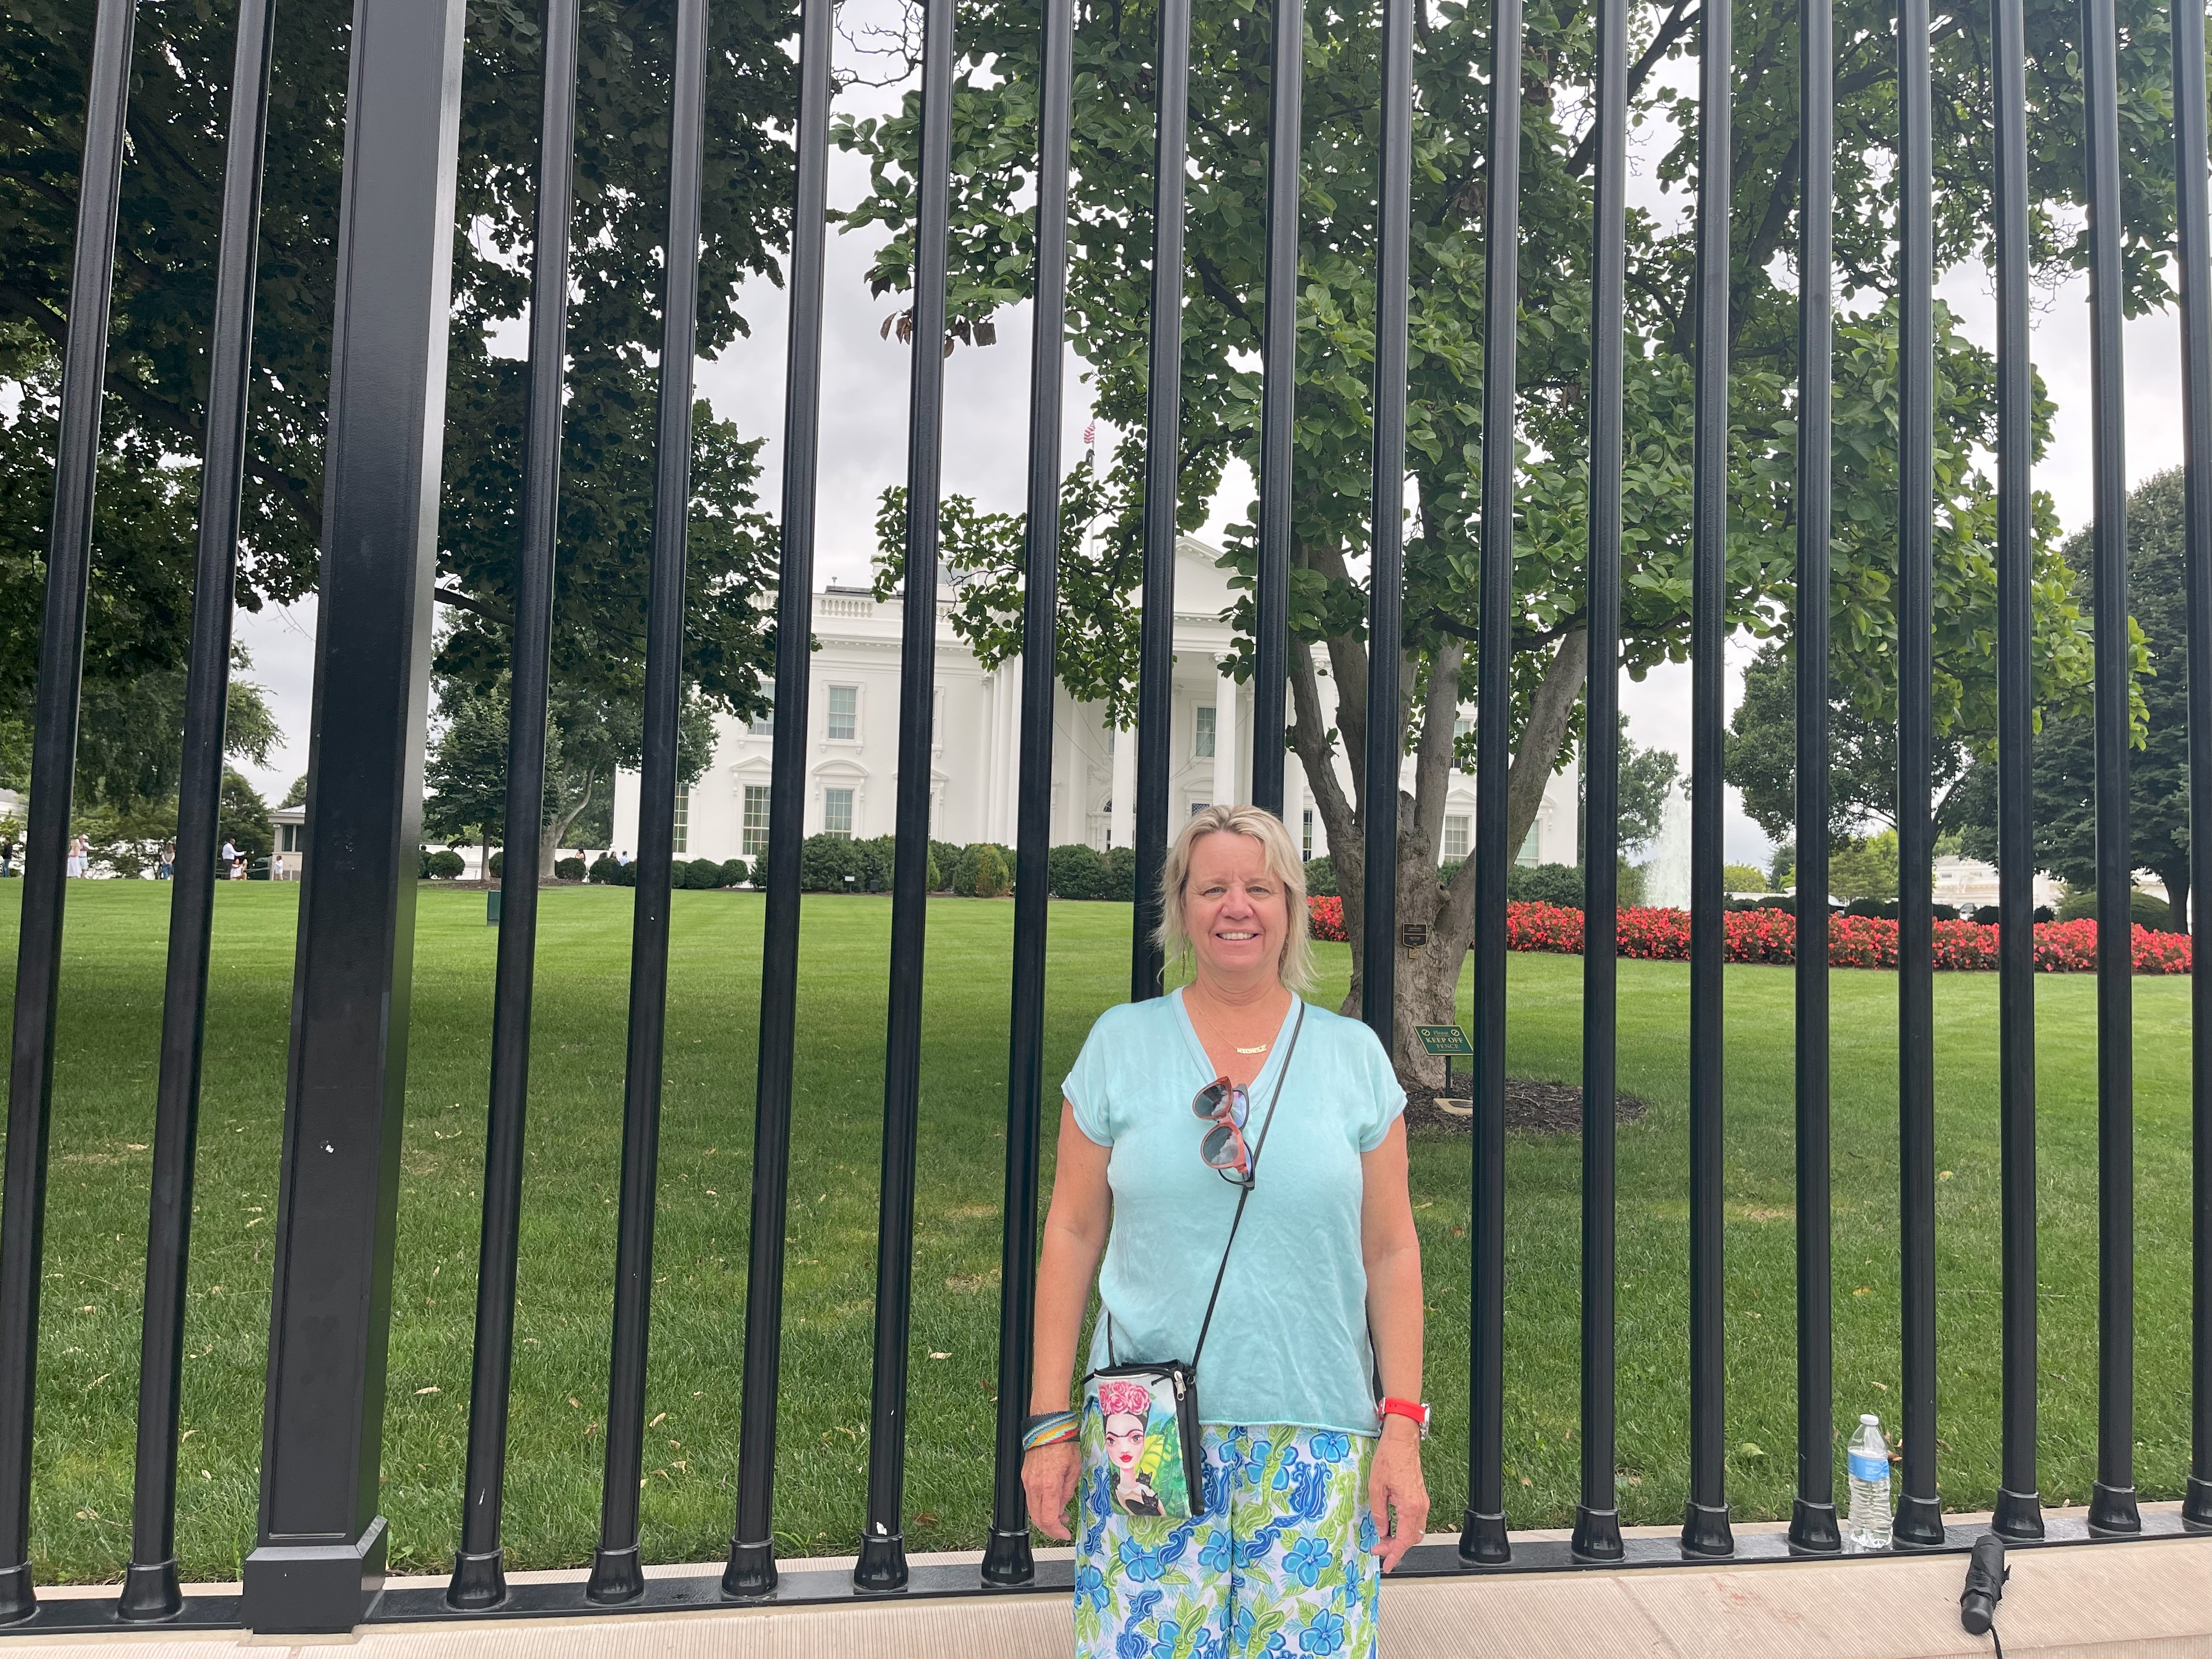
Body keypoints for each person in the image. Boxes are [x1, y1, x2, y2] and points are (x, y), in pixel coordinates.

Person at [1023, 804, 1427, 1659]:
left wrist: (1402, 1428)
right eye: (1212, 889)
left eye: (1259, 888)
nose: (1236, 907)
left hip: (1319, 1430)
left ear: (1291, 907)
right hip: (1144, 1429)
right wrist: (1049, 1424)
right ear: (1182, 905)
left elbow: (1390, 1250)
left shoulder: (1354, 1058)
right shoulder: (1120, 1044)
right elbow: (1072, 1232)